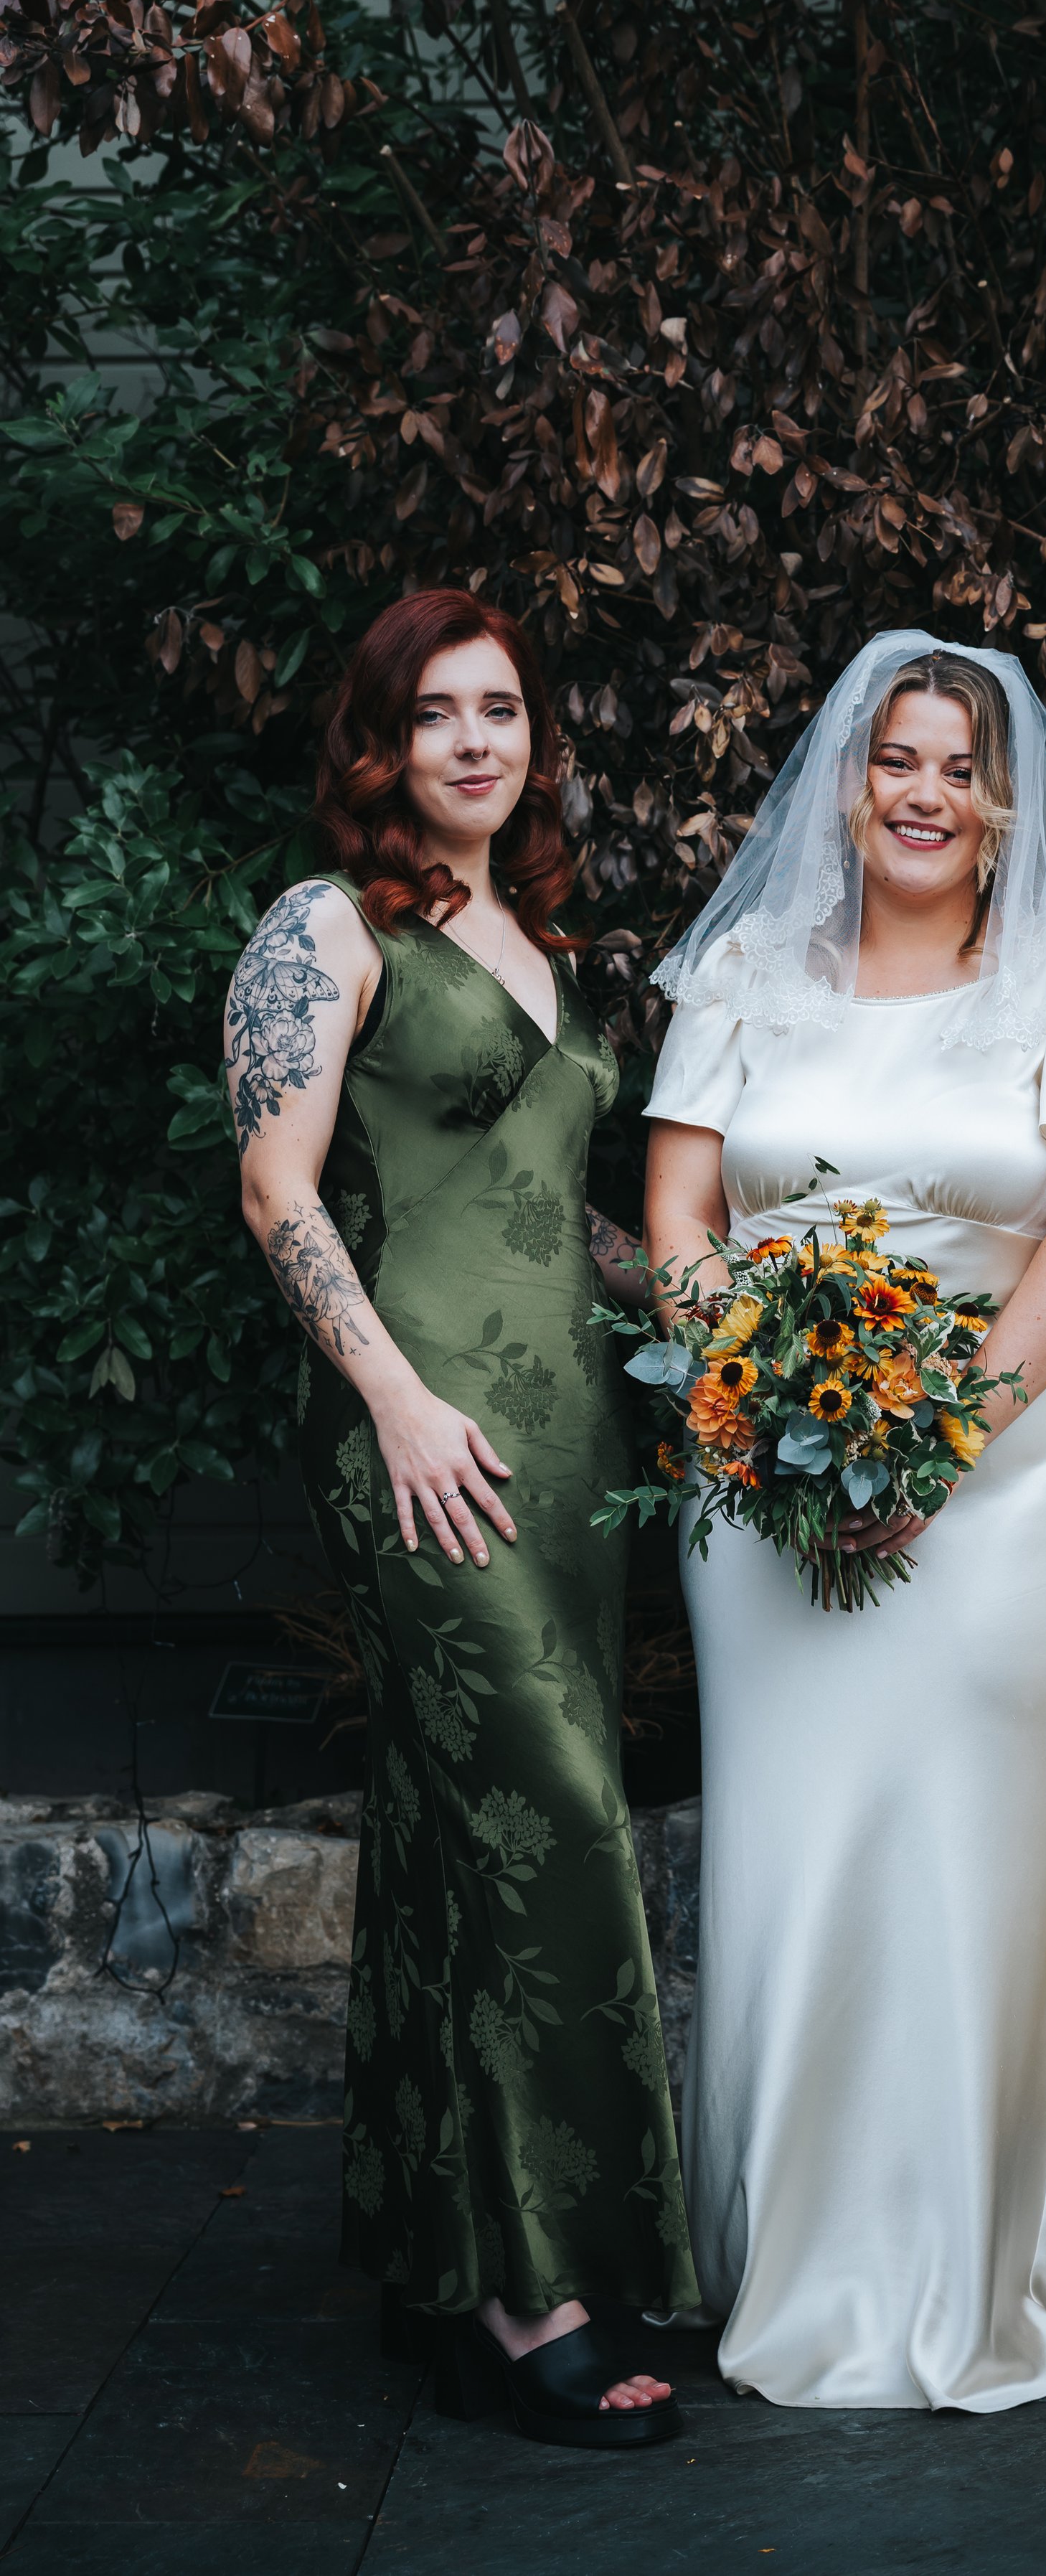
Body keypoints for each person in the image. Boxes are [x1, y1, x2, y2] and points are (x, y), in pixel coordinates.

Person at [641, 633, 1046, 2410]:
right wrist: (747, 1400)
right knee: (799, 1861)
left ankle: (992, 2256)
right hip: (762, 1488)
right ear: (844, 781)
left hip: (1009, 1492)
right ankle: (798, 2258)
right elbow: (677, 1210)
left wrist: (927, 1437)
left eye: (963, 769)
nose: (925, 792)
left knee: (978, 1866)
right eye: (897, 758)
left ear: (1006, 806)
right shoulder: (745, 970)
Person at [225, 587, 697, 2448]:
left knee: (460, 1837)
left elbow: (548, 1203)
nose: (479, 740)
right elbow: (276, 1184)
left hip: (574, 1448)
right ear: (382, 740)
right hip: (425, 1436)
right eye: (441, 713)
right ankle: (533, 2290)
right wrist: (397, 1397)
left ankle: (454, 2259)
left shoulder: (537, 938)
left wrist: (724, 1320)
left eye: (503, 709)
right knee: (547, 1817)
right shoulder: (324, 925)